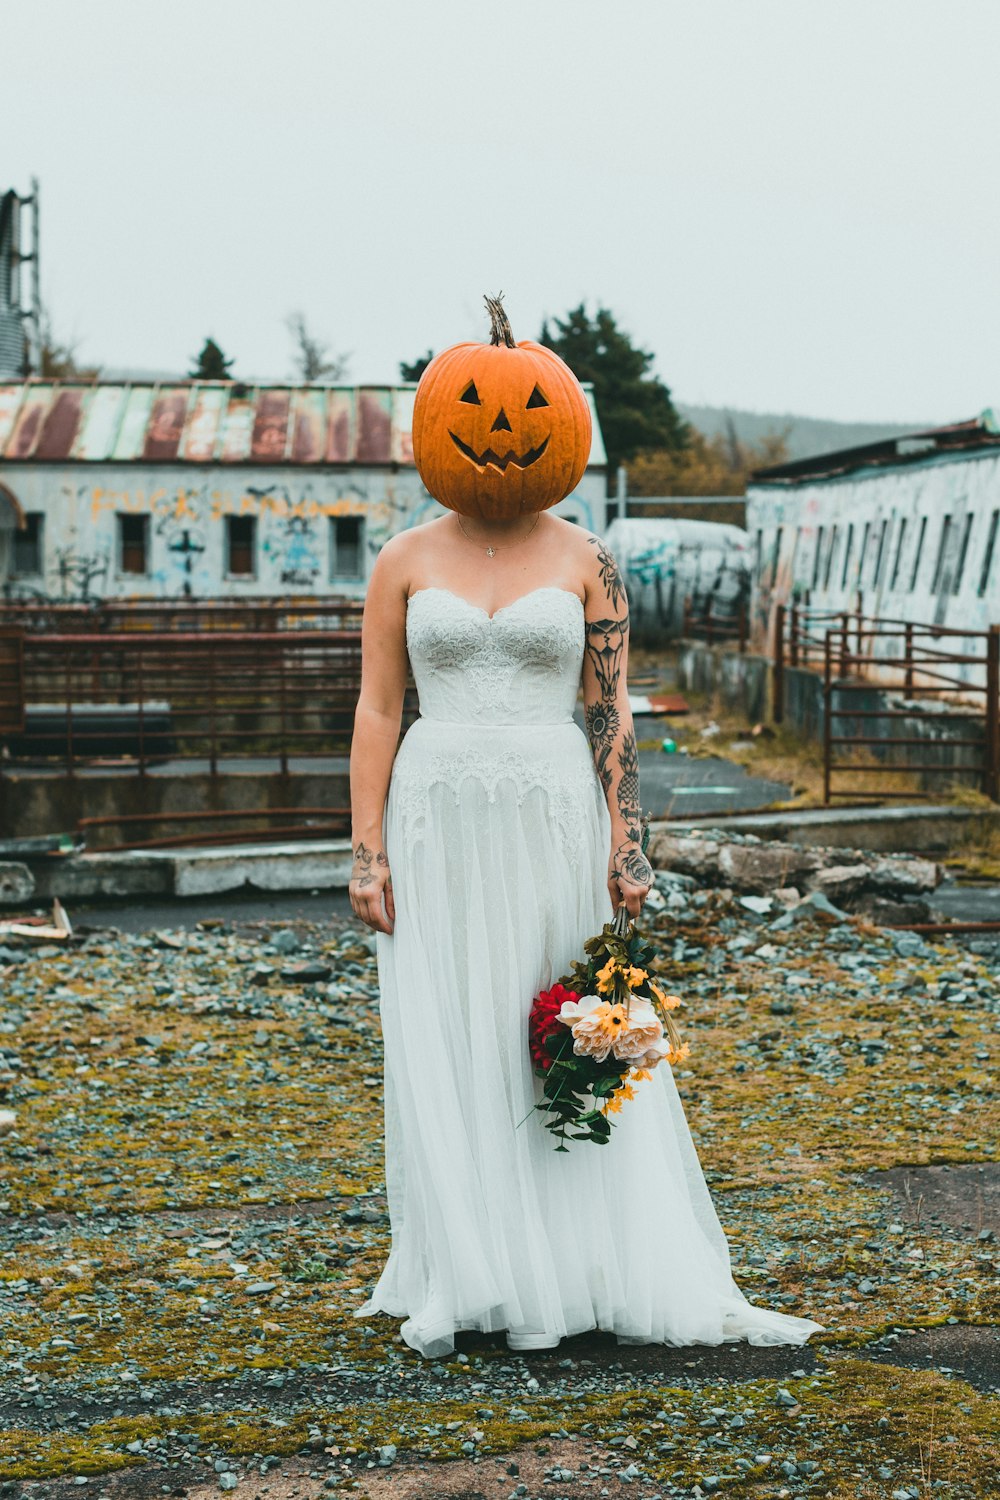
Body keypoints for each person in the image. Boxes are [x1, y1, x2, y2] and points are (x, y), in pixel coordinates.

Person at [347, 506, 826, 1358]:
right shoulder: (403, 557)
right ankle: (473, 1267)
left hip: (551, 815)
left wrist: (627, 837)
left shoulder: (588, 558)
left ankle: (577, 1266)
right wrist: (367, 850)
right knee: (456, 1030)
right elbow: (379, 708)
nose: (501, 431)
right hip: (437, 820)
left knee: (562, 1023)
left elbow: (610, 709)